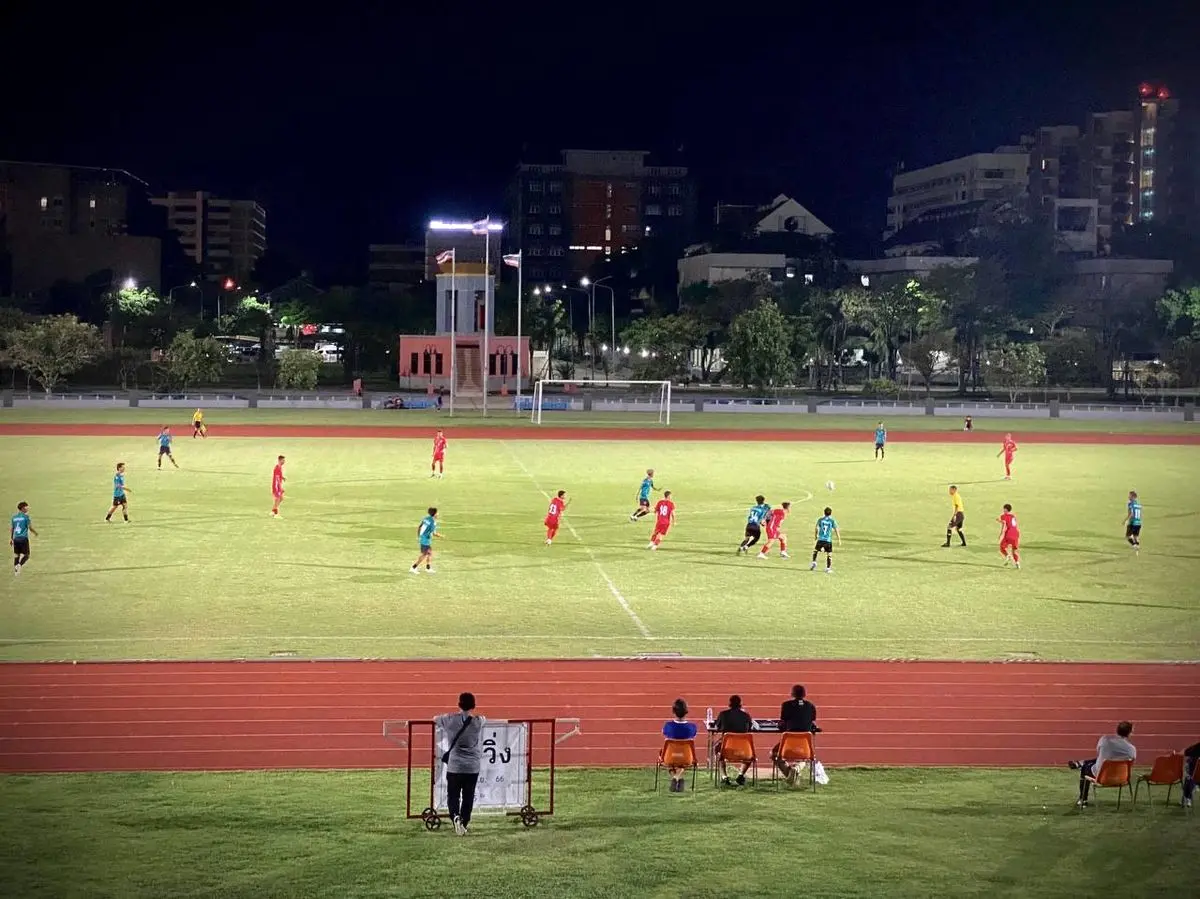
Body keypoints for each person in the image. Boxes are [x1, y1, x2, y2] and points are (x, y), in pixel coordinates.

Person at [434, 692, 485, 835]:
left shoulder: (449, 719)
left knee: (453, 795)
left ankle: (455, 816)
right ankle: (464, 822)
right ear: (473, 705)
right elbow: (484, 719)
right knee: (468, 796)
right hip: (472, 767)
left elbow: (435, 719)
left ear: (459, 704)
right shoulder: (478, 722)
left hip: (455, 765)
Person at [1068, 721, 1136, 807]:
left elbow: (1099, 752)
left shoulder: (1105, 740)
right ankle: (1080, 763)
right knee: (1107, 760)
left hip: (1102, 776)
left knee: (1086, 768)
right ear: (1130, 733)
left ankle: (1083, 799)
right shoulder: (1132, 749)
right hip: (1122, 778)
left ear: (1117, 730)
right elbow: (1131, 763)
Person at [772, 685, 818, 784]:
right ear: (804, 694)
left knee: (774, 753)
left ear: (792, 693)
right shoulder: (811, 706)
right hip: (805, 743)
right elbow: (812, 722)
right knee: (807, 756)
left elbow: (783, 722)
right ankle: (796, 770)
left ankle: (789, 774)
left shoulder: (786, 705)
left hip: (789, 742)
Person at [713, 695, 754, 786]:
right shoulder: (746, 716)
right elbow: (749, 728)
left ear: (730, 704)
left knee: (717, 749)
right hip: (743, 750)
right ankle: (741, 775)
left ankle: (724, 776)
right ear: (740, 704)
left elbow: (717, 727)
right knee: (751, 753)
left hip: (726, 749)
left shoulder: (723, 714)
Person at [661, 698, 698, 792]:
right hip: (687, 758)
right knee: (682, 758)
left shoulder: (668, 726)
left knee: (664, 754)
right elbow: (693, 736)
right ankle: (678, 777)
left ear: (674, 711)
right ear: (686, 711)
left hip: (669, 758)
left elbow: (664, 733)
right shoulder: (692, 727)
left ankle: (675, 777)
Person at [411, 507, 441, 574]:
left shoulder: (426, 518)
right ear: (435, 514)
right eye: (437, 513)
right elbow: (434, 533)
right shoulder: (433, 523)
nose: (438, 514)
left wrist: (418, 536)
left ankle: (428, 568)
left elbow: (419, 527)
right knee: (424, 555)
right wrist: (441, 536)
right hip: (426, 541)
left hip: (423, 538)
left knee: (429, 553)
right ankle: (413, 567)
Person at [810, 507, 840, 573]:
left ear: (824, 512)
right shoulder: (832, 520)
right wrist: (839, 539)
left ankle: (814, 562)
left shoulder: (820, 519)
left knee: (815, 551)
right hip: (828, 540)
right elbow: (836, 529)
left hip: (820, 539)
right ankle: (828, 568)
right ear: (831, 513)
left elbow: (816, 528)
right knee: (829, 554)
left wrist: (815, 536)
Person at [10, 501, 37, 576]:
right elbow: (29, 527)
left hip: (16, 538)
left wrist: (11, 538)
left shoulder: (14, 518)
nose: (27, 508)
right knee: (27, 555)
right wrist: (35, 533)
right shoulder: (26, 517)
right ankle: (19, 565)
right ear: (22, 508)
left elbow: (12, 528)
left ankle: (16, 572)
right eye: (26, 507)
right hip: (23, 538)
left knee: (16, 555)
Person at [998, 503, 1021, 569]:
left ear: (1005, 509)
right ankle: (1017, 563)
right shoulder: (1013, 516)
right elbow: (1010, 523)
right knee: (1014, 551)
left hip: (1009, 534)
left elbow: (1004, 524)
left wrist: (1001, 534)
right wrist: (999, 521)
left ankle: (1007, 556)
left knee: (1002, 547)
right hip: (1016, 534)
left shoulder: (1003, 516)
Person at [1182, 740, 1199, 808]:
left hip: (1194, 778)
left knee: (1189, 778)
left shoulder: (1195, 748)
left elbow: (1186, 752)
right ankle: (1187, 797)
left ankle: (1187, 798)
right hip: (1195, 777)